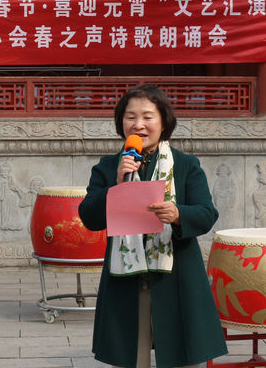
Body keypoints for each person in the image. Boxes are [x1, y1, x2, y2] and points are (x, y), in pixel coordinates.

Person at [78, 85, 227, 368]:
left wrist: (178, 214)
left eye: (148, 116)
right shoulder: (110, 166)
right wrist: (116, 187)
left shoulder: (185, 165)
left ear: (163, 122)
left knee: (181, 358)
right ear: (121, 123)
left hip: (177, 276)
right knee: (132, 358)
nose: (138, 124)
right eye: (130, 117)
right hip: (126, 282)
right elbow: (88, 216)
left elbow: (207, 213)